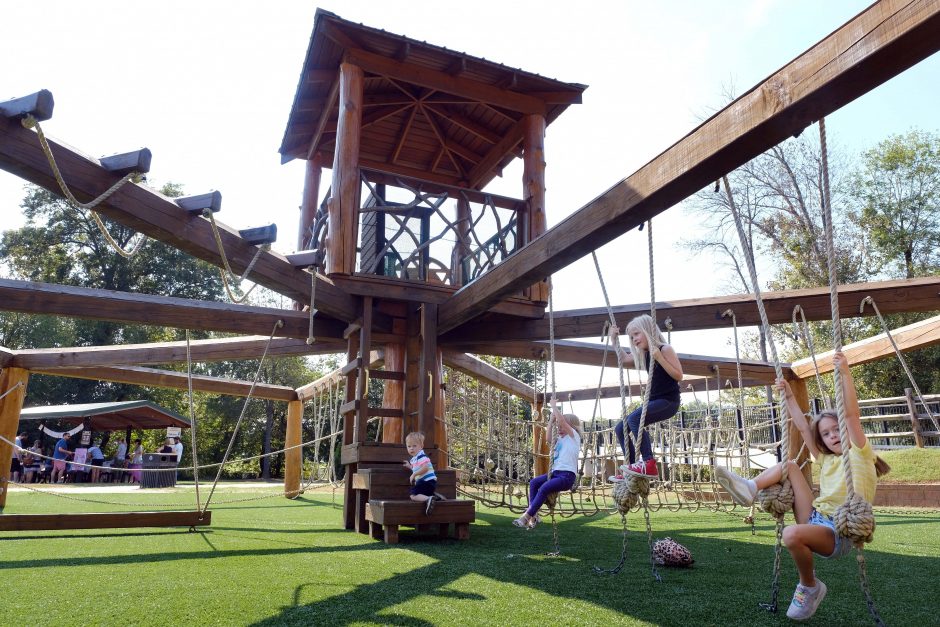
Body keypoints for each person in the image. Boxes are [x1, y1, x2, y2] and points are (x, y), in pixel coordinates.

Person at [715, 352, 890, 621]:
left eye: (836, 430)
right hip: (816, 517)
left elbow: (852, 415)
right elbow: (803, 427)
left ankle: (809, 586)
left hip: (840, 531)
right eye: (826, 434)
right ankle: (751, 487)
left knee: (791, 534)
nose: (832, 436)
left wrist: (844, 372)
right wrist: (787, 396)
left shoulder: (859, 452)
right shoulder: (825, 459)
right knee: (791, 466)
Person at [607, 315, 684, 480]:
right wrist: (614, 341)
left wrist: (660, 359)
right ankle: (633, 470)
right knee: (620, 428)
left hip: (668, 401)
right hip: (655, 401)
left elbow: (678, 375)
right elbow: (625, 359)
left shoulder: (664, 349)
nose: (634, 339)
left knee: (635, 420)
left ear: (648, 330)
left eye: (636, 334)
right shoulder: (645, 353)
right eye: (631, 337)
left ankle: (649, 462)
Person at [513, 407, 583, 529]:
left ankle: (527, 517)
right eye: (558, 426)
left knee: (544, 488)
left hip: (567, 476)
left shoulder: (574, 437)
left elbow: (562, 421)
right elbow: (548, 439)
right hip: (556, 473)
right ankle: (534, 515)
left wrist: (554, 406)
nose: (559, 428)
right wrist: (551, 421)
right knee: (534, 482)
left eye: (561, 426)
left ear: (571, 426)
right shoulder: (560, 440)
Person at [403, 431, 443, 515]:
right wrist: (410, 466)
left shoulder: (421, 456)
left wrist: (414, 474)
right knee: (419, 492)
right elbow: (417, 468)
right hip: (429, 483)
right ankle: (433, 496)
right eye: (409, 446)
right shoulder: (415, 458)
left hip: (426, 482)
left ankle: (429, 499)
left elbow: (425, 468)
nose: (411, 448)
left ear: (421, 446)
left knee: (413, 496)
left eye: (414, 446)